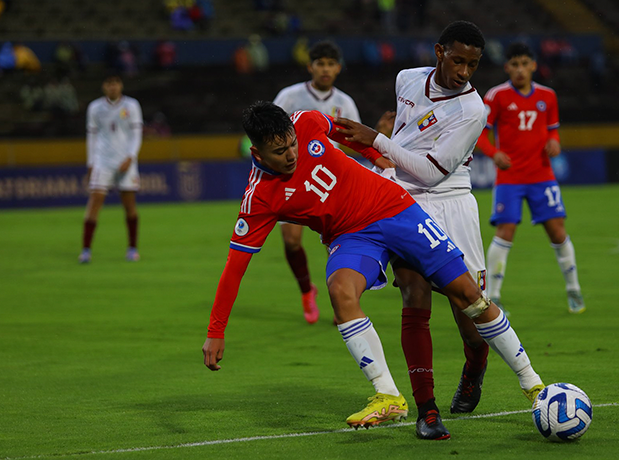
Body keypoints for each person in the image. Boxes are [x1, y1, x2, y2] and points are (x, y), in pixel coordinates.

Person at [202, 102, 546, 432]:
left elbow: (347, 132)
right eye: (280, 153)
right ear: (257, 153)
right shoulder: (259, 198)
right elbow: (235, 268)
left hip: (392, 209)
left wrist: (377, 156)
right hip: (351, 237)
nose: (292, 155)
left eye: (293, 144)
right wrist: (216, 331)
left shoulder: (306, 121)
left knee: (470, 296)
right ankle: (388, 395)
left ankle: (533, 385)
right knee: (340, 292)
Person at [336, 20, 497, 440]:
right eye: (458, 60)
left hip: (451, 202)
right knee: (413, 293)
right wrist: (387, 150)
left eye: (473, 65)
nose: (463, 71)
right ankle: (427, 409)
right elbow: (409, 142)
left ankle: (475, 362)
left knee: (470, 312)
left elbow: (430, 171)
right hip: (406, 204)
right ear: (439, 51)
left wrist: (378, 140)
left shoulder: (472, 110)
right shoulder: (406, 79)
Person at [475, 42, 585, 315]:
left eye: (525, 63)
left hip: (542, 176)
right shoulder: (496, 96)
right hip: (510, 177)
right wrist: (494, 153)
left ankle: (573, 289)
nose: (520, 70)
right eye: (515, 64)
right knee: (505, 233)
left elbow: (553, 131)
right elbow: (479, 134)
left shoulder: (548, 96)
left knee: (557, 231)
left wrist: (555, 143)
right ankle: (493, 297)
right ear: (507, 67)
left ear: (534, 65)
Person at [271, 41, 363, 325]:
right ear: (310, 67)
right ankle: (305, 290)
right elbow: (270, 132)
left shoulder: (345, 103)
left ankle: (340, 303)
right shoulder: (289, 97)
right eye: (319, 64)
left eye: (330, 64)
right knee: (291, 240)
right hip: (293, 178)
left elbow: (354, 141)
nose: (325, 69)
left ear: (338, 68)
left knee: (335, 245)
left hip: (330, 182)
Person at [79, 74, 143, 264]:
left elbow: (136, 134)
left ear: (120, 85)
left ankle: (132, 248)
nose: (113, 87)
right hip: (103, 161)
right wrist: (90, 163)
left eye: (115, 83)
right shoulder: (95, 108)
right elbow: (91, 137)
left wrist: (131, 157)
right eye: (109, 83)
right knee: (95, 201)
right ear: (104, 86)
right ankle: (85, 250)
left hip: (125, 160)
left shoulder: (131, 106)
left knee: (129, 204)